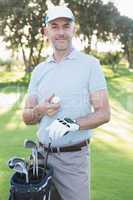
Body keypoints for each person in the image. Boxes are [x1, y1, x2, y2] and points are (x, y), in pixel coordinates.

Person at [22, 5, 110, 200]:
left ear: (73, 29)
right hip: (41, 159)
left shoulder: (90, 65)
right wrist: (39, 110)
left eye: (66, 26)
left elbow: (103, 113)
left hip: (73, 160)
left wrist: (71, 123)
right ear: (46, 31)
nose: (61, 32)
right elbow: (27, 116)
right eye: (54, 26)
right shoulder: (38, 71)